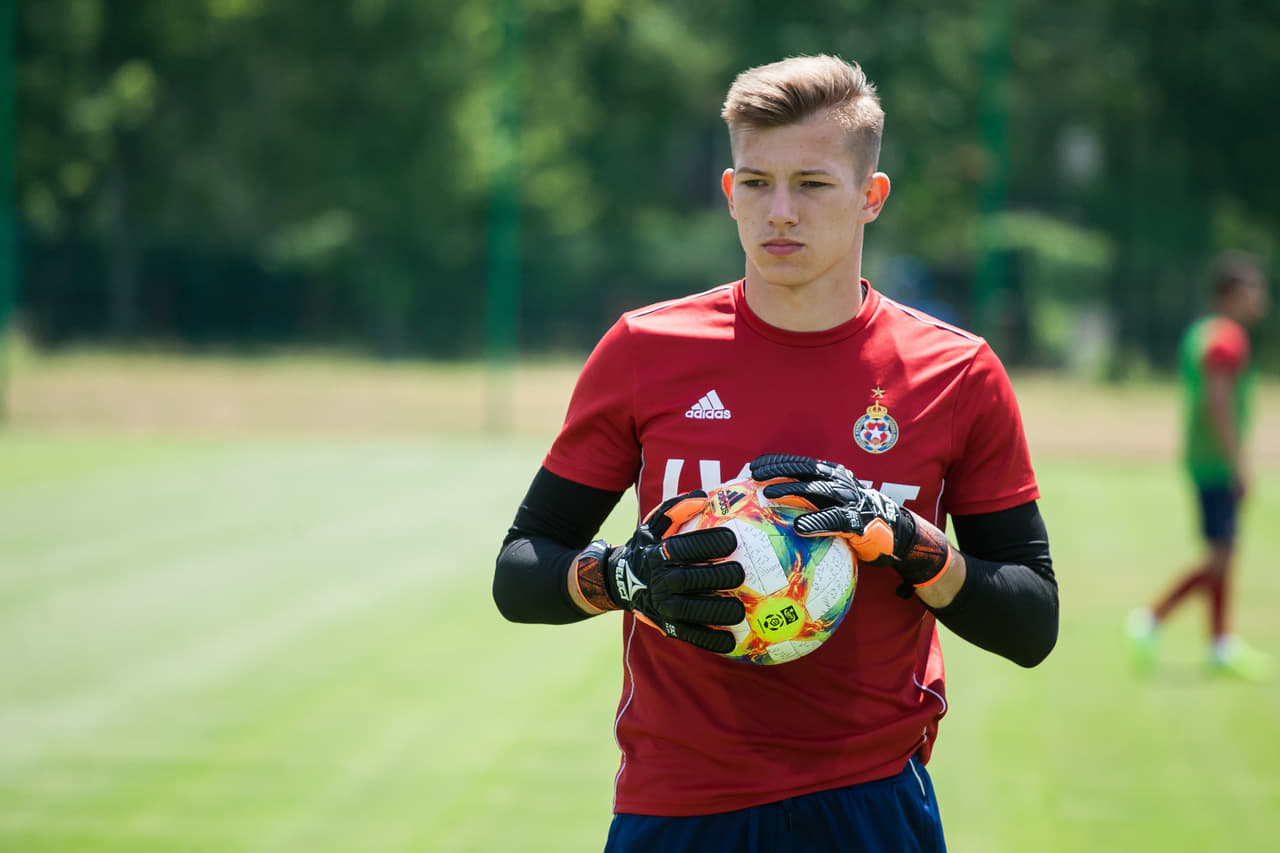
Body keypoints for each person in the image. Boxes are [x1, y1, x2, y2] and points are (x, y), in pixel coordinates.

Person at [493, 54, 1058, 852]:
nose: (780, 212)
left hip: (870, 803)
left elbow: (1031, 620)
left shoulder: (957, 373)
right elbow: (520, 567)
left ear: (871, 196)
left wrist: (911, 542)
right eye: (757, 183)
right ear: (730, 193)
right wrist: (620, 576)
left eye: (813, 184)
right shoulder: (644, 350)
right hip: (679, 803)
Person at [1127, 251, 1271, 680]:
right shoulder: (1226, 339)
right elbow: (1217, 401)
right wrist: (1238, 461)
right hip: (1215, 462)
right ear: (1232, 293)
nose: (1261, 297)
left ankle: (1220, 644)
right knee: (1221, 556)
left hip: (1202, 458)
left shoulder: (1203, 332)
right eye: (1254, 289)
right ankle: (1151, 619)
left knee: (1223, 552)